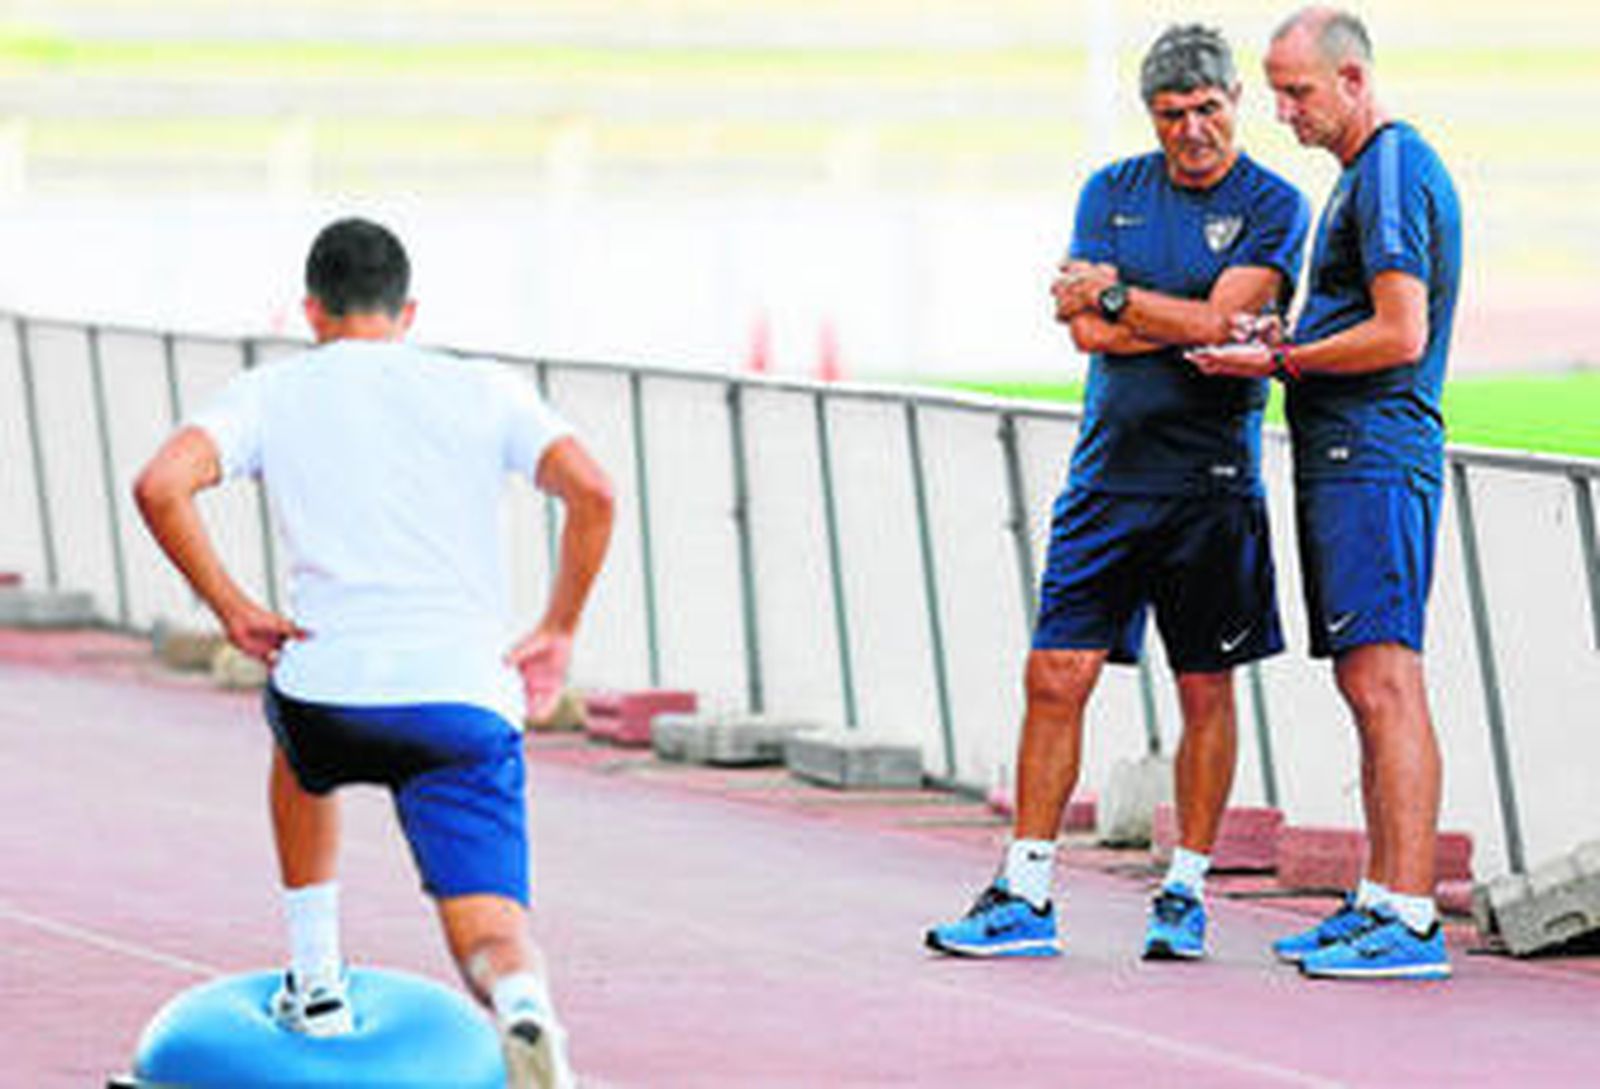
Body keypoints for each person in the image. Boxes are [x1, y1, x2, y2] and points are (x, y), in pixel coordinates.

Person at [133, 217, 615, 1084]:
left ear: (310, 310)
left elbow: (159, 483)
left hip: (329, 692)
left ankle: (316, 976)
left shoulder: (271, 391)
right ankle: (522, 1004)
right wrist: (558, 625)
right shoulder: (486, 389)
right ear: (410, 310)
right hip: (463, 698)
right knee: (491, 929)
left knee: (297, 743)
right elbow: (594, 491)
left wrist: (236, 608)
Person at [925, 25, 1309, 961]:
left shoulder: (1275, 203)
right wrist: (1161, 319)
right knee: (1055, 675)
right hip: (1106, 478)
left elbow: (1228, 322)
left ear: (1235, 104)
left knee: (1204, 688)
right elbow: (1090, 336)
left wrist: (1117, 298)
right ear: (1153, 117)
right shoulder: (1111, 190)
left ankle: (1184, 892)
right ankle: (1025, 887)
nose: (1192, 132)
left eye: (1207, 111)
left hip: (1210, 485)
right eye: (1172, 116)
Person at [1188, 7, 1462, 980]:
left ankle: (1412, 917)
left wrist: (1282, 359)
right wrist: (1280, 349)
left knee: (1384, 681)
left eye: (1296, 91)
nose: (1281, 111)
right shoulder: (1364, 175)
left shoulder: (1387, 170)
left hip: (1373, 457)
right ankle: (1385, 897)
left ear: (1352, 80)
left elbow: (1400, 333)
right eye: (1275, 91)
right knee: (1365, 681)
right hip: (1348, 457)